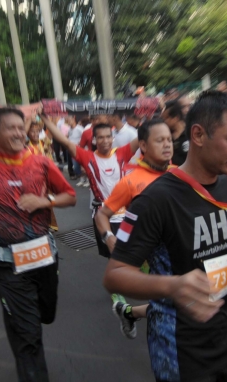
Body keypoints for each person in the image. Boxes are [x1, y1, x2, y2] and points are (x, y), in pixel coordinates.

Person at [104, 91, 227, 382]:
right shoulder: (156, 200)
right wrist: (174, 285)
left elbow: (226, 239)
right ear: (198, 135)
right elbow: (114, 275)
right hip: (180, 344)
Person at [0, 108, 76, 381]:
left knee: (45, 315)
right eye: (10, 128)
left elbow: (69, 196)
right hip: (9, 267)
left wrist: (45, 201)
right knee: (28, 334)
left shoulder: (42, 163)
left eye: (20, 127)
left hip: (46, 257)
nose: (18, 133)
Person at [95, 119, 172, 339]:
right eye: (160, 140)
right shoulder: (131, 181)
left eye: (169, 140)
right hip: (154, 258)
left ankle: (128, 313)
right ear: (143, 146)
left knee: (173, 303)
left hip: (182, 250)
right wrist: (109, 237)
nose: (167, 145)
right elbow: (103, 214)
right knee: (171, 305)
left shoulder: (180, 173)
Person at [41, 112, 140, 258]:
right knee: (113, 257)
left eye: (108, 136)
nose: (105, 140)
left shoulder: (122, 153)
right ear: (94, 139)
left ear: (113, 138)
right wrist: (44, 118)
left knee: (129, 255)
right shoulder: (88, 157)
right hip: (103, 218)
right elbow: (64, 140)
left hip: (125, 216)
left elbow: (144, 135)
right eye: (100, 137)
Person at [161, 100, 188, 166]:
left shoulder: (191, 133)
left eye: (166, 118)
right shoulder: (166, 136)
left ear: (176, 118)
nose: (164, 121)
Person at [66, 116, 85, 182]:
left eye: (69, 120)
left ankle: (86, 179)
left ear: (74, 119)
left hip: (78, 149)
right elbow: (69, 137)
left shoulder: (79, 128)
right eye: (67, 120)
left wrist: (80, 143)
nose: (68, 122)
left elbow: (84, 137)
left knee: (80, 165)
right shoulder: (69, 129)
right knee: (75, 165)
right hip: (70, 149)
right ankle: (81, 179)